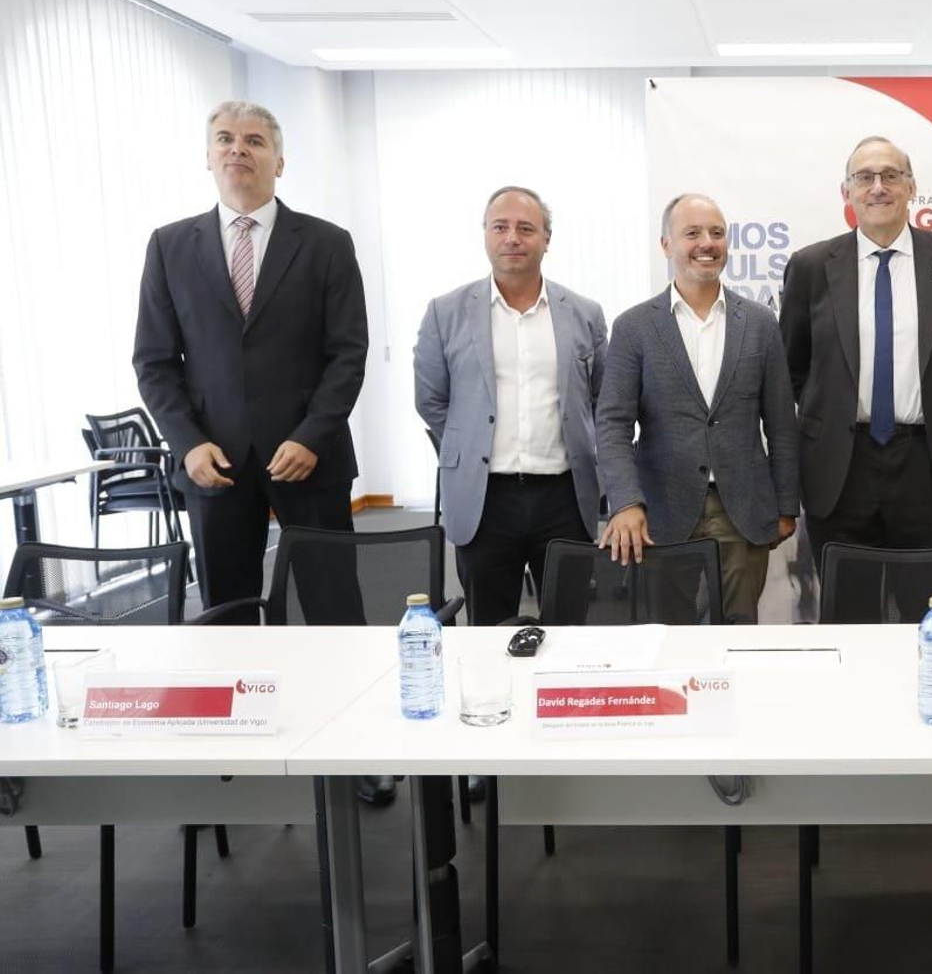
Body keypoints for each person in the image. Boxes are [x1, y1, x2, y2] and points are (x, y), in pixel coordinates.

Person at [132, 101, 381, 803]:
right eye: (224, 140)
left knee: (335, 608)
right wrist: (187, 444)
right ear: (207, 156)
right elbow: (155, 362)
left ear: (279, 158)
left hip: (311, 458)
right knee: (229, 611)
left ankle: (359, 750)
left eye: (254, 141)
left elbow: (348, 353)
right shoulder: (170, 245)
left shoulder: (326, 243)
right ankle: (240, 744)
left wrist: (312, 433)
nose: (237, 150)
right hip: (215, 465)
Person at [779, 136, 932, 622]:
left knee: (928, 608)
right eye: (864, 177)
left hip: (927, 463)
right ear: (845, 191)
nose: (878, 186)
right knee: (849, 612)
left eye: (891, 175)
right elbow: (794, 364)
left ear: (911, 187)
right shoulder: (811, 267)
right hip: (840, 466)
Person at [596, 193, 799, 624]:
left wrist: (786, 505)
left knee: (738, 634)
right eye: (692, 233)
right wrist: (626, 502)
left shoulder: (761, 323)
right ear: (666, 245)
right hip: (660, 512)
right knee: (668, 637)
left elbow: (782, 424)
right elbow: (612, 425)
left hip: (742, 510)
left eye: (717, 233)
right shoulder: (634, 327)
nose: (707, 243)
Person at [413, 186, 607, 625]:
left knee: (568, 627)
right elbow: (431, 400)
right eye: (500, 227)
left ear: (546, 238)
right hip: (485, 499)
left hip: (565, 496)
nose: (512, 238)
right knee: (487, 630)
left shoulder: (584, 313)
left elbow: (601, 398)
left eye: (526, 228)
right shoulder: (446, 313)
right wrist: (471, 442)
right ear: (485, 234)